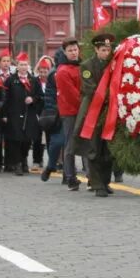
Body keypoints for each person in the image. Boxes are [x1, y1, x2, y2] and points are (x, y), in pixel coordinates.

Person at [72, 33, 120, 197]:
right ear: (96, 50)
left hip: (109, 111)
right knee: (93, 149)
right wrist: (110, 95)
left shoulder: (114, 65)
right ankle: (97, 184)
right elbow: (89, 88)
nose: (107, 52)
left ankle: (105, 182)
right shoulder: (87, 65)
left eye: (109, 49)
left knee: (108, 150)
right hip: (92, 112)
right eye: (104, 50)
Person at [42, 39, 82, 190]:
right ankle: (66, 174)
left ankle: (83, 176)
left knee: (81, 143)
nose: (74, 52)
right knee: (64, 144)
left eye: (75, 49)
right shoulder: (61, 71)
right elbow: (69, 95)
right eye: (70, 50)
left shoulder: (80, 66)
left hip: (77, 109)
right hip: (66, 112)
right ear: (64, 53)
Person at [0, 55, 43, 175]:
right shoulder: (11, 80)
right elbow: (5, 98)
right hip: (14, 113)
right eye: (21, 65)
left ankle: (24, 159)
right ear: (17, 66)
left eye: (25, 65)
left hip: (30, 114)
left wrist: (33, 99)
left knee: (27, 140)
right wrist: (4, 114)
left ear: (28, 66)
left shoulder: (34, 80)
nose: (23, 67)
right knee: (16, 140)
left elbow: (40, 96)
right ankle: (17, 163)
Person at [31, 56, 53, 169]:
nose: (43, 72)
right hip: (38, 112)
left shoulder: (52, 81)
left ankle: (51, 161)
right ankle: (37, 160)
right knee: (37, 138)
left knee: (49, 138)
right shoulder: (35, 81)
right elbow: (33, 95)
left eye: (46, 70)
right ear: (38, 71)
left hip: (49, 113)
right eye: (41, 70)